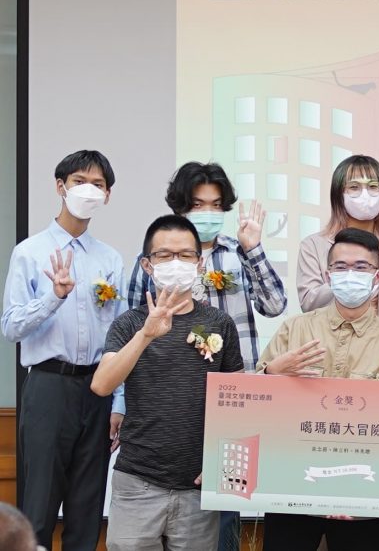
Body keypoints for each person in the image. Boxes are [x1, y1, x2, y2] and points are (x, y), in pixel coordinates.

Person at [124, 162, 286, 551]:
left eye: (216, 206)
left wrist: (253, 247)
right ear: (179, 207)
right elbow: (129, 333)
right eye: (198, 205)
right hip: (170, 404)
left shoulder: (237, 253)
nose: (208, 214)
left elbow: (275, 304)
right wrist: (118, 403)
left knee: (225, 500)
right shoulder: (153, 262)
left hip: (232, 399)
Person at [92, 214, 244, 551]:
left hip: (196, 485)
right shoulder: (129, 323)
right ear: (147, 265)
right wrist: (146, 335)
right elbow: (102, 385)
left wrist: (220, 460)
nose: (176, 262)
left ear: (199, 263)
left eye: (185, 255)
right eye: (164, 255)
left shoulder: (220, 323)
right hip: (138, 483)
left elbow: (237, 401)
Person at [257, 228, 379, 551]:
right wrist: (272, 373)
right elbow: (253, 406)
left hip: (362, 499)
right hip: (291, 488)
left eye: (361, 267)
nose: (350, 275)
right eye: (341, 267)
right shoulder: (294, 330)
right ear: (328, 275)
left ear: (377, 276)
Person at [1, 150, 125, 551]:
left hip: (97, 389)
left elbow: (119, 337)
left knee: (86, 510)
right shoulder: (30, 251)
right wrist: (53, 298)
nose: (88, 190)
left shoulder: (110, 258)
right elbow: (10, 326)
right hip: (49, 387)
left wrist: (119, 401)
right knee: (38, 508)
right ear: (60, 187)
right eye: (79, 181)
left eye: (98, 184)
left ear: (107, 195)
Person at [296, 155, 379, 320]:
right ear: (338, 195)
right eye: (354, 187)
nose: (365, 194)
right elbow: (309, 304)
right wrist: (350, 275)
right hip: (331, 335)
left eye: (373, 186)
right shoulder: (313, 245)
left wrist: (378, 269)